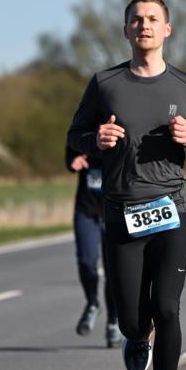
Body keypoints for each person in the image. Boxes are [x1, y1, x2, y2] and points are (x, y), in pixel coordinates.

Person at [67, 0, 186, 370]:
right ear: (126, 29)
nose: (145, 25)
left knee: (167, 308)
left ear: (167, 29)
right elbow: (74, 136)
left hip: (171, 211)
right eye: (137, 19)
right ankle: (137, 337)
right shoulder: (104, 83)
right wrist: (96, 139)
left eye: (153, 19)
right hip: (121, 215)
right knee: (134, 319)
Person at [65, 144, 121, 347]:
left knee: (113, 271)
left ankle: (113, 324)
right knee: (86, 262)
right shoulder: (83, 130)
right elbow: (70, 155)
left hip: (114, 212)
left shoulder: (122, 128)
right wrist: (72, 163)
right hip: (86, 210)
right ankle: (92, 303)